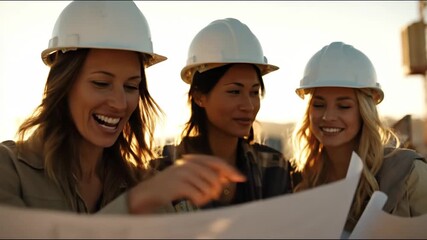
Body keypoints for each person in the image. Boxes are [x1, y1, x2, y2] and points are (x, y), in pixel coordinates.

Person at [0, 1, 246, 215]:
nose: (119, 103)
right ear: (62, 84)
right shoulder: (9, 169)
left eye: (131, 87)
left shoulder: (142, 183)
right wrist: (134, 204)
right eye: (101, 83)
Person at [151, 18, 292, 211]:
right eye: (234, 91)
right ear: (200, 97)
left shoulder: (273, 167)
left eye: (254, 92)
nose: (248, 105)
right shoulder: (164, 169)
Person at [290, 41, 427, 232]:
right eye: (319, 105)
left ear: (364, 112)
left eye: (344, 106)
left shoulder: (409, 173)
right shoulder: (297, 180)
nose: (328, 117)